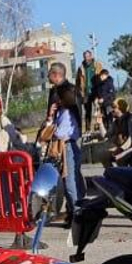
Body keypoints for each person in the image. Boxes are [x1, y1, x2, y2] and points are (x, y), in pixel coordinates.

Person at [44, 65, 83, 223]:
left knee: (70, 182)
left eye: (50, 74)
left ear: (56, 75)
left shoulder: (67, 99)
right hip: (66, 144)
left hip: (68, 144)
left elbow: (63, 130)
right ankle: (72, 212)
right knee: (69, 182)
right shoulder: (62, 105)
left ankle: (78, 214)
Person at [89, 66, 117, 134]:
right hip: (101, 105)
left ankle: (111, 132)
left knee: (109, 118)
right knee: (103, 118)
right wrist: (95, 98)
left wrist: (103, 98)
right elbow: (96, 92)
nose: (100, 77)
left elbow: (112, 94)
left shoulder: (109, 83)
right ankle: (106, 132)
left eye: (102, 76)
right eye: (100, 76)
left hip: (108, 103)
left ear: (106, 75)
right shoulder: (99, 83)